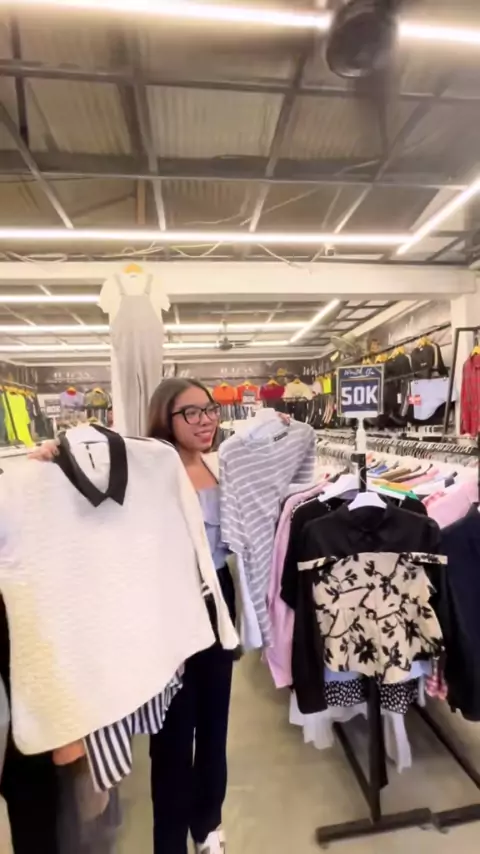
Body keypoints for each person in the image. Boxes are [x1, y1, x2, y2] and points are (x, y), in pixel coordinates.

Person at [30, 378, 235, 854]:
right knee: (172, 735)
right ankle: (169, 843)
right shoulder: (144, 468)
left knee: (214, 727)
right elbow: (86, 485)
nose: (205, 420)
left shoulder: (218, 465)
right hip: (165, 608)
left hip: (217, 602)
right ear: (166, 417)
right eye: (191, 412)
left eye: (209, 409)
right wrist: (48, 461)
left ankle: (207, 825)